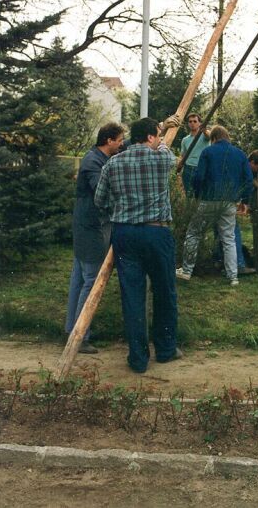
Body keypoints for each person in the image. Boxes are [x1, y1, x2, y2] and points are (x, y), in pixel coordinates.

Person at [94, 117, 180, 374]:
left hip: (125, 235)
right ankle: (165, 351)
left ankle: (138, 358)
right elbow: (164, 148)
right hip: (156, 233)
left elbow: (100, 200)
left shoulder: (113, 163)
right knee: (165, 292)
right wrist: (163, 131)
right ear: (152, 137)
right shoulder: (163, 159)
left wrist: (120, 209)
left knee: (132, 296)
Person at [65, 122, 124, 354]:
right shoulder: (92, 163)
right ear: (109, 141)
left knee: (79, 278)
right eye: (119, 140)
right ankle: (80, 337)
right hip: (91, 228)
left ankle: (74, 329)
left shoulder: (98, 157)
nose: (122, 144)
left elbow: (128, 145)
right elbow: (102, 192)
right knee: (89, 280)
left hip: (88, 225)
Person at [176, 125, 253, 287]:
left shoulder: (208, 152)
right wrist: (245, 201)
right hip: (230, 202)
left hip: (208, 200)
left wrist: (197, 195)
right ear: (227, 137)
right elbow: (248, 180)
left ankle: (187, 270)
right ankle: (233, 277)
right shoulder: (240, 154)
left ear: (213, 138)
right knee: (229, 238)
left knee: (194, 233)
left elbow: (198, 177)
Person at [178, 113, 210, 195]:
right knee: (189, 195)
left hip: (202, 168)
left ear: (199, 123)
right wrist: (180, 166)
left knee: (202, 195)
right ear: (188, 124)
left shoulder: (204, 136)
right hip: (188, 169)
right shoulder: (185, 140)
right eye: (190, 121)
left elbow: (210, 136)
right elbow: (183, 155)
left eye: (195, 121)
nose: (192, 123)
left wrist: (204, 130)